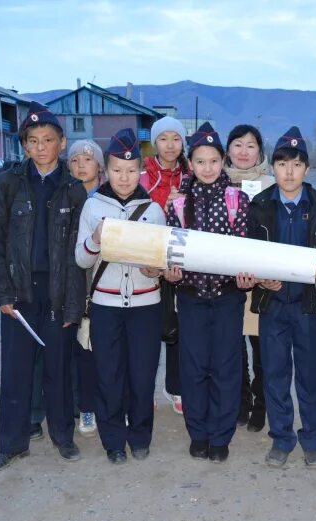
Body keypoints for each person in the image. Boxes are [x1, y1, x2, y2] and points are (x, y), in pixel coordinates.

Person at [0, 102, 87, 472]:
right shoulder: (7, 182)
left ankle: (63, 437)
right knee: (16, 371)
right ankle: (11, 444)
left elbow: (80, 254)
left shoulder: (74, 190)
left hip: (57, 291)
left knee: (59, 368)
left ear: (61, 143)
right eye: (33, 140)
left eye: (48, 140)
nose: (40, 147)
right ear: (24, 145)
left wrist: (75, 305)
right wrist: (0, 292)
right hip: (18, 293)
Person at [248, 126, 316, 469]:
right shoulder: (259, 206)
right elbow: (249, 255)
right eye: (282, 164)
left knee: (311, 376)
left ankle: (313, 439)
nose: (289, 171)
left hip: (308, 307)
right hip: (273, 307)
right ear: (273, 167)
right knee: (275, 374)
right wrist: (259, 279)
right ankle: (282, 438)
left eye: (297, 164)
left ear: (307, 168)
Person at [163, 122, 252, 463]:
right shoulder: (178, 205)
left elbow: (245, 249)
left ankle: (220, 435)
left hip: (228, 297)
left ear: (223, 162)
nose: (207, 168)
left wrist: (247, 277)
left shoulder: (237, 201)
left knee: (226, 368)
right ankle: (197, 432)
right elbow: (171, 251)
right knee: (194, 367)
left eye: (213, 161)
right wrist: (171, 274)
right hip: (191, 298)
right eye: (200, 161)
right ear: (191, 163)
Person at [76, 129, 166, 464]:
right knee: (109, 374)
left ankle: (140, 435)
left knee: (142, 375)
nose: (124, 177)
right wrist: (96, 239)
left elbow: (162, 260)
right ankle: (113, 440)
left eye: (130, 170)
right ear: (106, 170)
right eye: (116, 170)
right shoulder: (92, 207)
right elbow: (81, 259)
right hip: (106, 304)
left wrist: (156, 270)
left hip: (145, 305)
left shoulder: (153, 210)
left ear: (140, 170)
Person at [223, 124, 275, 432]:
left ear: (260, 150)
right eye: (238, 144)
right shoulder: (215, 180)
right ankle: (240, 401)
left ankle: (261, 404)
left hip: (263, 283)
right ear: (228, 150)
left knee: (262, 348)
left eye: (251, 145)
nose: (244, 151)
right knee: (233, 348)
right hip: (227, 282)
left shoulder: (272, 183)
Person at [140, 116, 189, 415]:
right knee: (147, 330)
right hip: (147, 260)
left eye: (176, 138)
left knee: (178, 328)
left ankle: (176, 388)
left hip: (180, 259)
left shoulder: (191, 172)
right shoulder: (143, 174)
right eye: (163, 138)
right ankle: (144, 389)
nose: (170, 145)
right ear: (154, 142)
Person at [68, 139, 105, 436]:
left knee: (100, 347)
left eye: (88, 160)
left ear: (100, 166)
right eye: (75, 160)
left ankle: (107, 404)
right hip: (70, 282)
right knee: (80, 349)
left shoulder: (106, 197)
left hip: (100, 282)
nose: (81, 166)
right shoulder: (62, 195)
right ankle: (85, 407)